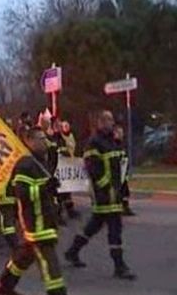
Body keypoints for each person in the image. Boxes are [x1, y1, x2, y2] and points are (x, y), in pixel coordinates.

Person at [0, 126, 81, 295]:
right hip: (35, 222)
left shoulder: (40, 162)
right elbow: (23, 193)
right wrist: (45, 187)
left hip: (46, 219)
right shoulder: (24, 165)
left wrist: (52, 189)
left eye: (45, 138)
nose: (45, 142)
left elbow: (43, 189)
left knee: (24, 256)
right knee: (50, 265)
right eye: (41, 139)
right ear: (29, 141)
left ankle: (5, 285)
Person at [65, 111, 136, 280]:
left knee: (95, 225)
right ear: (100, 123)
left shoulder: (112, 141)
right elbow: (93, 169)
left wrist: (119, 186)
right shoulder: (94, 143)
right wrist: (107, 186)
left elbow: (118, 163)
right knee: (114, 228)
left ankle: (72, 251)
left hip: (115, 193)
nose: (111, 123)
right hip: (104, 194)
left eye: (111, 120)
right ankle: (119, 266)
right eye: (107, 120)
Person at [57, 120, 80, 219]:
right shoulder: (60, 137)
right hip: (62, 165)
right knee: (62, 190)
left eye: (67, 125)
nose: (66, 127)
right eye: (64, 126)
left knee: (69, 188)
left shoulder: (72, 135)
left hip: (71, 163)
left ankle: (70, 210)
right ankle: (60, 212)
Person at [114, 124, 135, 216]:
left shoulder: (122, 144)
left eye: (121, 132)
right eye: (119, 132)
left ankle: (125, 207)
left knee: (125, 191)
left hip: (123, 174)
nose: (121, 134)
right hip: (116, 174)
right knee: (117, 191)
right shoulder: (112, 144)